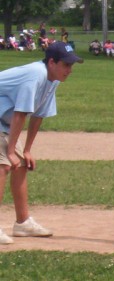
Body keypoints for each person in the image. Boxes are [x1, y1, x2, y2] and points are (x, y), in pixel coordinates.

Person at [0, 41, 83, 244]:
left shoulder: (51, 80)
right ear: (52, 62)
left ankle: (22, 223)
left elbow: (37, 115)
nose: (69, 70)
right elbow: (20, 113)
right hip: (5, 121)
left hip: (5, 123)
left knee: (20, 165)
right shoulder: (36, 74)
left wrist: (26, 150)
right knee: (3, 165)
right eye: (66, 65)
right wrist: (11, 150)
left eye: (71, 66)